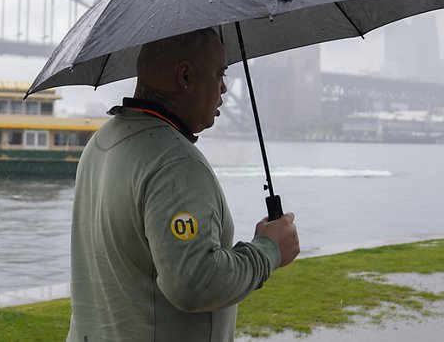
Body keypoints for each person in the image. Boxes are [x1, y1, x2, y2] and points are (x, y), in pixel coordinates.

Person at [67, 27, 300, 342]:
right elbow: (194, 284)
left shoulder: (103, 141)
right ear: (186, 76)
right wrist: (269, 250)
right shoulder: (176, 164)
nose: (225, 89)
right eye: (219, 75)